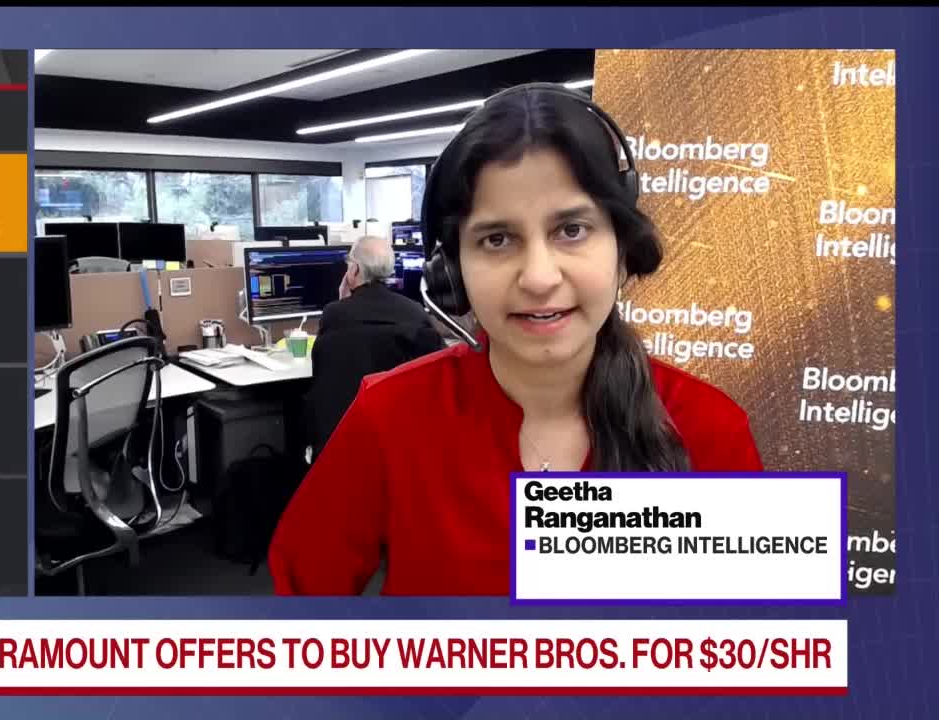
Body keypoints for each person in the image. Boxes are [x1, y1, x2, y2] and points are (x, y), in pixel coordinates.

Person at [269, 83, 763, 596]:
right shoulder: (391, 417)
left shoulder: (708, 429)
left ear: (622, 249)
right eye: (497, 239)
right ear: (453, 272)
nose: (539, 277)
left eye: (572, 229)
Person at [305, 235, 444, 460]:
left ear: (354, 270)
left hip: (343, 449)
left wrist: (341, 302)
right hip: (401, 447)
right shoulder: (414, 312)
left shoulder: (334, 314)